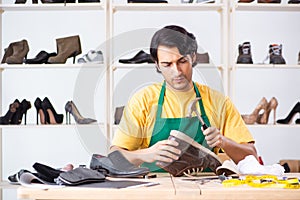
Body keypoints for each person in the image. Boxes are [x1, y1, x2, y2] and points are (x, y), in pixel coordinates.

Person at [110, 25, 258, 172]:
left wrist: (224, 142)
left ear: (193, 57)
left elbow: (252, 155)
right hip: (157, 189)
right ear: (157, 65)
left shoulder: (218, 102)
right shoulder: (143, 101)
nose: (177, 71)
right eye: (167, 64)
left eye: (182, 61)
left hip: (206, 189)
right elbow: (113, 156)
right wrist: (145, 154)